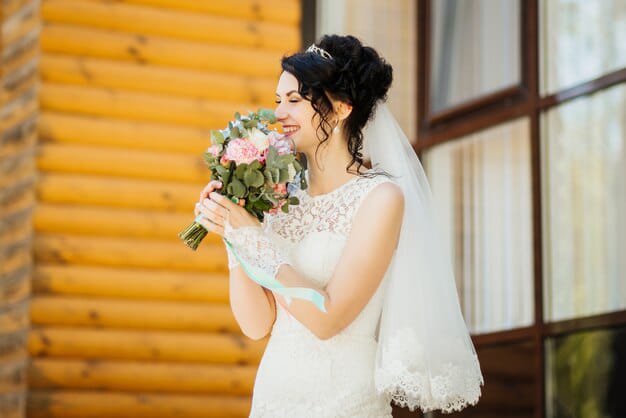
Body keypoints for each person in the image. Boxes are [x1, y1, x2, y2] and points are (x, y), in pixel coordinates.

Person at [194, 35, 483, 418]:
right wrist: (234, 233)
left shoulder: (381, 199)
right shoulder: (281, 198)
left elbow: (328, 319)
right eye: (279, 100)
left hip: (344, 401)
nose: (278, 113)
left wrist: (252, 238)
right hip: (273, 398)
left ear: (342, 108)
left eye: (295, 100)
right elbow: (255, 323)